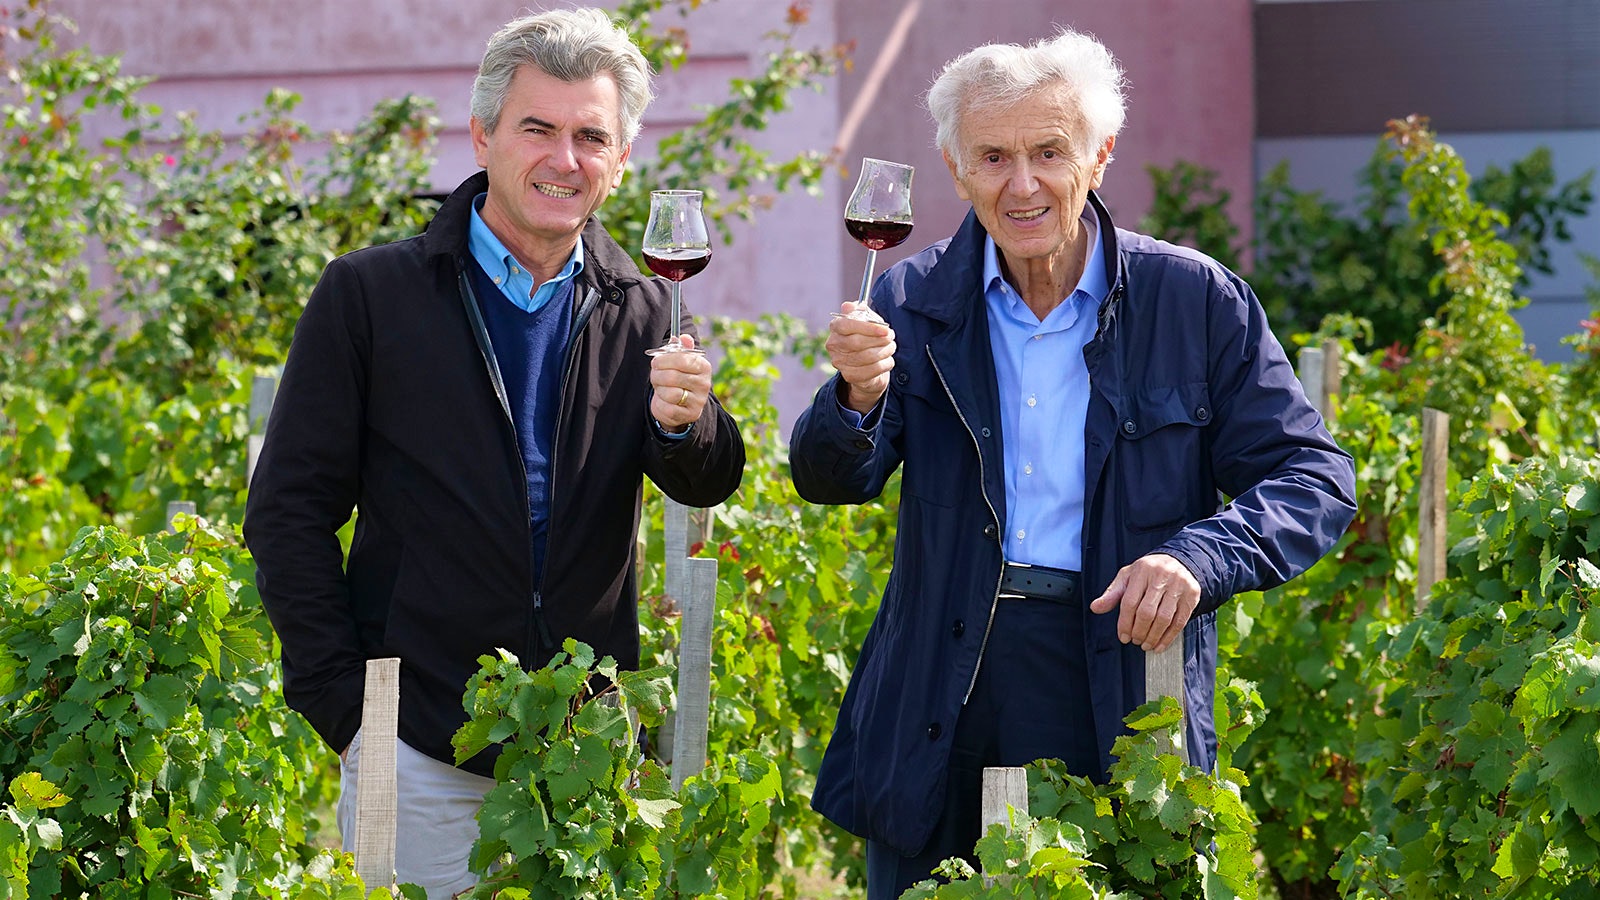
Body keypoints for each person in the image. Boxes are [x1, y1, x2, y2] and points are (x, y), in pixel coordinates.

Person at [789, 28, 1356, 899]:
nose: (1023, 185)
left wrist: (1197, 558)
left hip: (1118, 679)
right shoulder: (911, 299)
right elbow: (831, 480)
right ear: (956, 171)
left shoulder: (1194, 301)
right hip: (943, 679)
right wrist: (854, 399)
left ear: (1100, 156)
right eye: (993, 157)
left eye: (1049, 152)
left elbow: (1314, 478)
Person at [243, 8, 745, 897]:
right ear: (482, 136)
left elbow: (705, 477)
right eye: (538, 129)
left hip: (584, 750)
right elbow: (287, 511)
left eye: (592, 136)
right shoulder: (371, 294)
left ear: (622, 159)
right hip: (418, 747)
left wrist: (688, 422)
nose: (565, 159)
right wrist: (348, 709)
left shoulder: (643, 305)